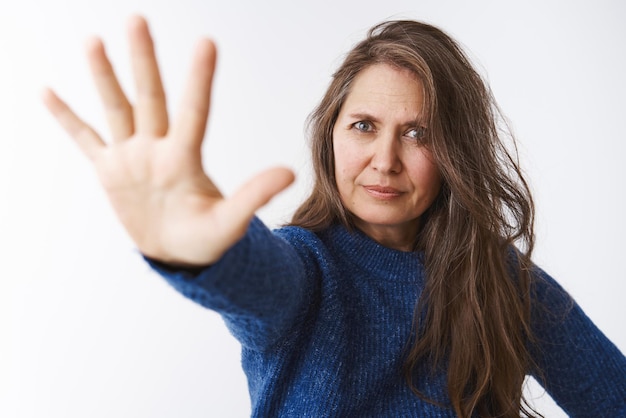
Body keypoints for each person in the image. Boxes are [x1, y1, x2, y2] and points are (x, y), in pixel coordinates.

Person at [42, 15, 625, 418]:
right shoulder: (308, 266)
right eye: (364, 126)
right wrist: (197, 253)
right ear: (331, 136)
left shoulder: (500, 279)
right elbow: (257, 275)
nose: (384, 161)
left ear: (455, 155)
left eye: (418, 134)